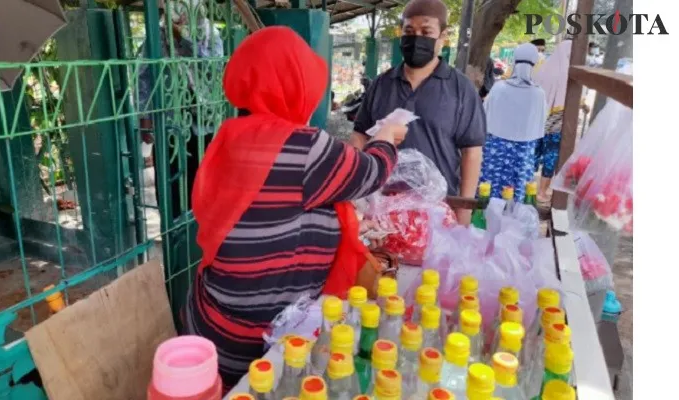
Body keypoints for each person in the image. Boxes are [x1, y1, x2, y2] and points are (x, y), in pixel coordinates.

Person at [183, 26, 405, 389]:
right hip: (263, 341)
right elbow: (371, 173)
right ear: (295, 82)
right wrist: (386, 137)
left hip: (212, 320)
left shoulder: (228, 135)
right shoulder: (303, 147)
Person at [349, 0, 486, 225]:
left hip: (439, 209)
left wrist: (463, 211)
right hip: (383, 209)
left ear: (442, 37)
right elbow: (360, 136)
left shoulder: (460, 89)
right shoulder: (382, 84)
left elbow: (472, 151)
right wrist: (352, 186)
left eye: (426, 31)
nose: (416, 38)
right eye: (409, 31)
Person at [137, 0, 224, 219]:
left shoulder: (210, 34)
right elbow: (144, 76)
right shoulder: (156, 36)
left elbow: (213, 68)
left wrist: (183, 38)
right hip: (170, 126)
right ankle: (174, 239)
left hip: (205, 125)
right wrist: (145, 117)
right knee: (171, 193)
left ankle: (204, 240)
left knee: (206, 191)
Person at [479, 43, 547, 201]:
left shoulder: (498, 88)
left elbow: (484, 114)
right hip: (524, 152)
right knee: (516, 195)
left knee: (489, 191)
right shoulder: (538, 94)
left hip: (494, 149)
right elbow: (540, 125)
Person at [533, 40, 572, 202]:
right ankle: (541, 191)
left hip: (538, 120)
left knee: (533, 154)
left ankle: (525, 187)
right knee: (551, 157)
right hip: (557, 123)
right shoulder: (567, 73)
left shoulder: (543, 68)